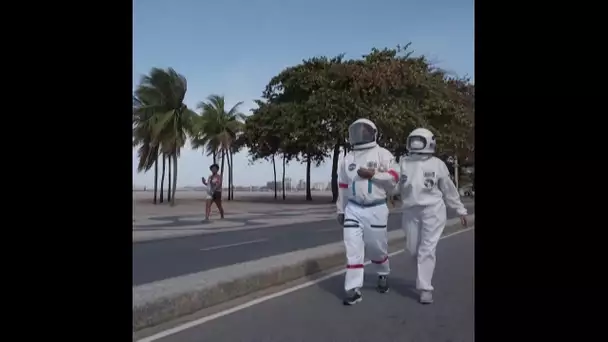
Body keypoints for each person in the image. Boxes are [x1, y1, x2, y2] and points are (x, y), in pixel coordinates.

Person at [397, 128, 468, 304]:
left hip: (433, 210)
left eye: (419, 140)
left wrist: (460, 210)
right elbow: (394, 185)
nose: (415, 144)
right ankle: (423, 277)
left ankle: (425, 288)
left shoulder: (438, 164)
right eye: (413, 140)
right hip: (410, 211)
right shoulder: (403, 163)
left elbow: (448, 190)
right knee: (413, 249)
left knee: (426, 249)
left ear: (429, 142)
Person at [336, 118, 399, 305]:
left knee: (376, 248)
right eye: (357, 130)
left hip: (376, 208)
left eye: (364, 130)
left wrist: (373, 175)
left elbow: (394, 178)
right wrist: (341, 210)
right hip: (353, 208)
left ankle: (382, 273)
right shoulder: (347, 158)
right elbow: (343, 186)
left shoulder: (383, 154)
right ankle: (353, 289)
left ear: (373, 133)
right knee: (353, 249)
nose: (360, 134)